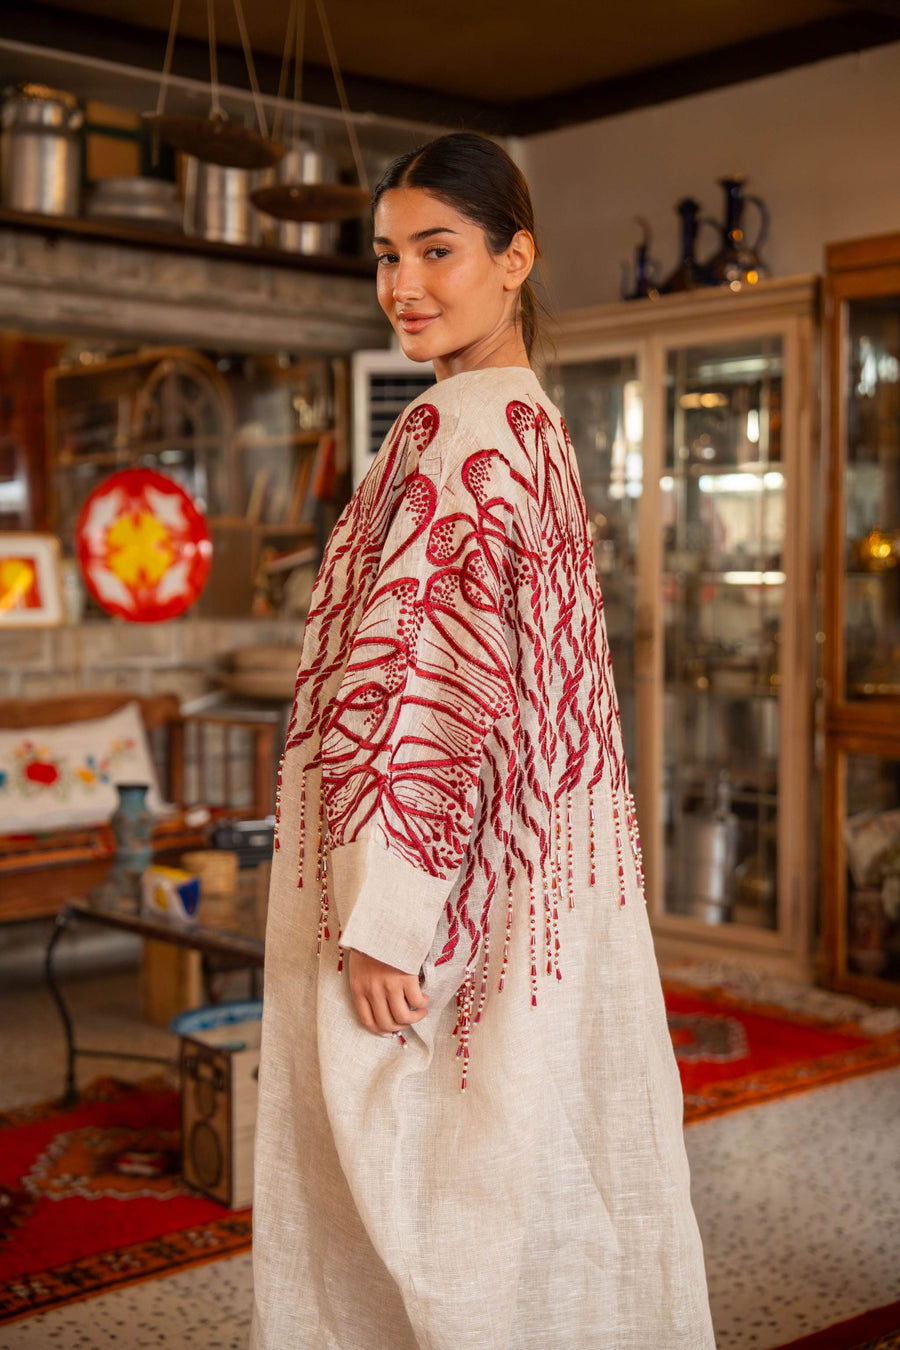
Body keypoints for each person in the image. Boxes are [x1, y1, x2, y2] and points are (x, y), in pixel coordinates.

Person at [250, 131, 716, 1349]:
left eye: (438, 251)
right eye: (387, 255)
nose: (404, 284)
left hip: (431, 880)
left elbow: (435, 678)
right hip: (522, 873)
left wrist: (389, 915)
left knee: (431, 1190)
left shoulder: (462, 431)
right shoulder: (523, 424)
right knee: (519, 1153)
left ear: (518, 259)